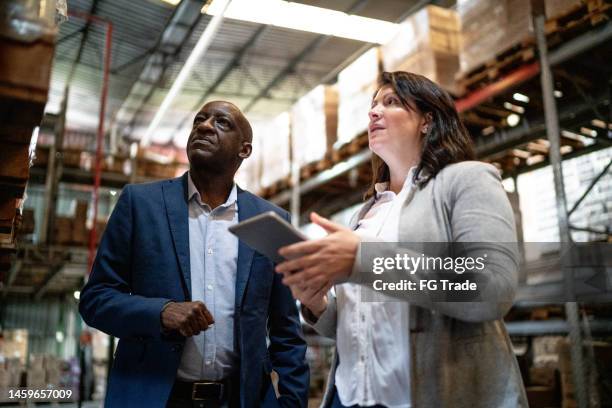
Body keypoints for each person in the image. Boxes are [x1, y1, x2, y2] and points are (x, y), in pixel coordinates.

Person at [275, 71, 527, 408]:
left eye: (390, 102)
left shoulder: (466, 180)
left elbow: (491, 288)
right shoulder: (365, 214)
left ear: (427, 120)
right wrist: (318, 304)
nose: (373, 112)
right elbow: (362, 327)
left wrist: (362, 260)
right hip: (351, 397)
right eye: (373, 104)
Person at [79, 101, 309, 408]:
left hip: (241, 401)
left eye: (221, 123)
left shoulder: (268, 221)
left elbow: (286, 329)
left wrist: (292, 402)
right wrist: (161, 312)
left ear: (244, 150)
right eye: (199, 119)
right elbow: (96, 299)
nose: (203, 126)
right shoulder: (140, 204)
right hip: (155, 397)